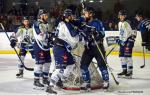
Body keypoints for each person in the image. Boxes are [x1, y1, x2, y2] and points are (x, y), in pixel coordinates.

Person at [46, 9, 81, 94]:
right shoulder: (66, 25)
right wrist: (80, 36)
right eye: (71, 16)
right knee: (60, 69)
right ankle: (50, 86)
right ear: (68, 16)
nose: (73, 17)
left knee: (71, 64)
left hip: (64, 49)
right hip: (60, 48)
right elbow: (73, 39)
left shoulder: (63, 23)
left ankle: (60, 80)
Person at [79, 7, 109, 91]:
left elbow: (102, 33)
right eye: (84, 13)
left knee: (102, 65)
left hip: (97, 47)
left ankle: (106, 81)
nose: (84, 15)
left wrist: (96, 33)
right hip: (88, 48)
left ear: (91, 14)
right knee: (83, 65)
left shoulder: (97, 22)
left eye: (86, 13)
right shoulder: (83, 23)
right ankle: (87, 82)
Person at [32, 9, 52, 89]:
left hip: (46, 47)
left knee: (48, 63)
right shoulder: (37, 24)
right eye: (45, 15)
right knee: (39, 64)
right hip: (39, 46)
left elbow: (48, 34)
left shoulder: (46, 24)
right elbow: (40, 36)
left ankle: (45, 78)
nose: (47, 17)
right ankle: (36, 81)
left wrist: (50, 37)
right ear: (41, 15)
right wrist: (49, 36)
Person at [117, 10, 136, 79]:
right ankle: (124, 70)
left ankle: (130, 71)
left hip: (128, 42)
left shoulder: (128, 23)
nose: (121, 17)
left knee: (128, 57)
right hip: (122, 42)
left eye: (122, 15)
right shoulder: (119, 23)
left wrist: (130, 41)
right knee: (122, 57)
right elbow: (121, 33)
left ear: (125, 16)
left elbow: (133, 32)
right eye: (120, 15)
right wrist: (119, 39)